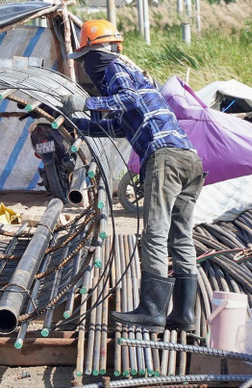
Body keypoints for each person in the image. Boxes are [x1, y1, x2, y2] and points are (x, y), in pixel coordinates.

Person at [65, 19, 204, 333]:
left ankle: (152, 311)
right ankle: (183, 314)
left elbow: (127, 100)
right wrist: (75, 123)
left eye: (85, 59)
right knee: (180, 237)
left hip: (164, 157)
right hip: (188, 159)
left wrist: (86, 103)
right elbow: (117, 126)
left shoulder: (116, 70)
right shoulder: (138, 78)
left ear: (95, 53)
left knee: (154, 233)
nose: (85, 68)